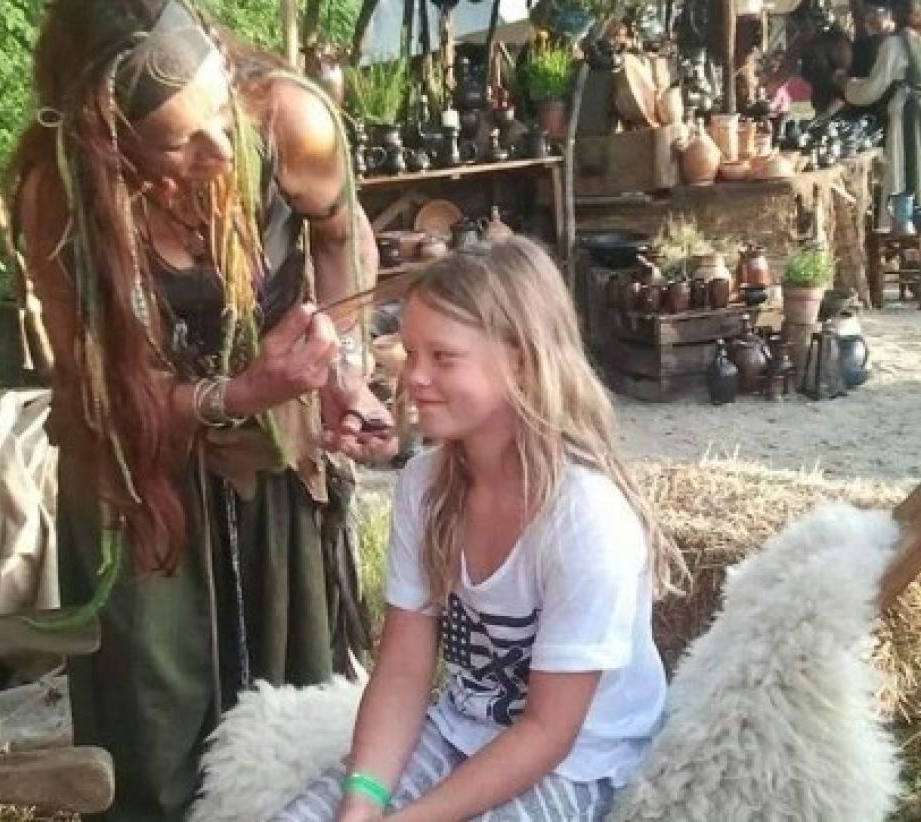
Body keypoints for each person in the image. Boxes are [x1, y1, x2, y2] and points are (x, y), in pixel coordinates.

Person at [9, 1, 397, 818]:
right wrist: (241, 392)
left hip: (272, 468)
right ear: (104, 138)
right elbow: (99, 390)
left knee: (292, 726)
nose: (220, 150)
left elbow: (340, 238)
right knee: (154, 739)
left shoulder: (290, 117)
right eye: (178, 141)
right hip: (137, 487)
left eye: (219, 113)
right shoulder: (60, 192)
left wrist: (341, 364)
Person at [273, 237, 687, 821]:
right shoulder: (425, 485)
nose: (413, 377)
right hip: (459, 728)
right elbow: (403, 669)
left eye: (442, 357)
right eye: (410, 352)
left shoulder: (586, 519)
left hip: (578, 760)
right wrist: (361, 805)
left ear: (520, 358)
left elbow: (548, 732)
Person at [846, 0, 921, 230]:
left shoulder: (895, 45)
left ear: (897, 13)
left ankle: (910, 237)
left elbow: (873, 89)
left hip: (913, 117)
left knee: (909, 174)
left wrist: (846, 86)